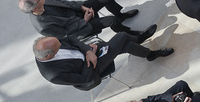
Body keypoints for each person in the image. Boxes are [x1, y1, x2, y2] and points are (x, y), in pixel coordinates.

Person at [19, 0, 156, 48]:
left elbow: (63, 2)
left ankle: (121, 15)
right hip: (80, 28)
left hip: (79, 12)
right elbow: (66, 34)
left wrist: (82, 7)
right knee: (111, 21)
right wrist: (84, 20)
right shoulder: (43, 26)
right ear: (35, 8)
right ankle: (133, 36)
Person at [33, 35, 173, 88]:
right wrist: (91, 57)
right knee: (122, 36)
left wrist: (88, 51)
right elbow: (84, 78)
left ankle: (147, 51)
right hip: (91, 71)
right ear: (49, 56)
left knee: (127, 45)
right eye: (58, 48)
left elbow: (70, 39)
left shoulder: (47, 43)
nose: (60, 44)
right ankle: (143, 44)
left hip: (89, 52)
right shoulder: (53, 74)